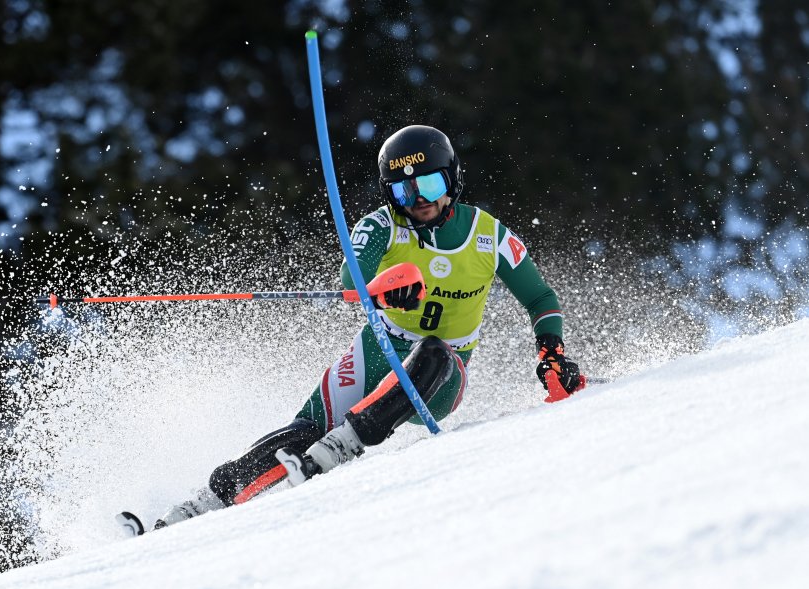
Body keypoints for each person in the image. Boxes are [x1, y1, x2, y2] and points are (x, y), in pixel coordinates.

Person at [151, 125, 581, 530]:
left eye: (429, 184)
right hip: (378, 349)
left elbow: (540, 298)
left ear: (452, 181)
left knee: (434, 349)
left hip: (440, 376)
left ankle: (349, 441)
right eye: (404, 189)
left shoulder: (488, 235)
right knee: (301, 432)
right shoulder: (382, 224)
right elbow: (349, 278)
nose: (419, 199)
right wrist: (380, 290)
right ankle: (203, 503)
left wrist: (551, 352)